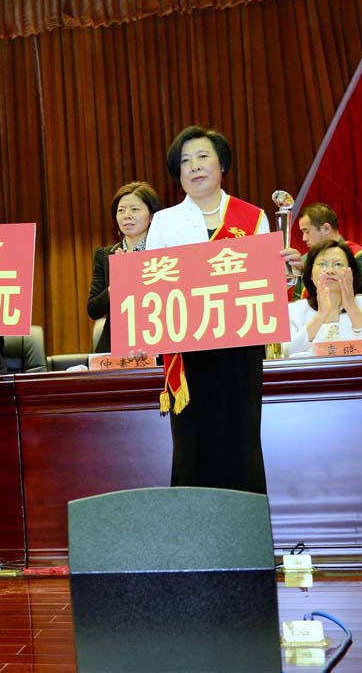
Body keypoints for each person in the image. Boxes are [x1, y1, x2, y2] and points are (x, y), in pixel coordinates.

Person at [145, 126, 273, 495]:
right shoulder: (165, 221)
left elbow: (266, 284)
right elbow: (151, 284)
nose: (195, 166)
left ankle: (243, 527)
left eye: (203, 157)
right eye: (185, 161)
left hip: (240, 349)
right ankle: (194, 530)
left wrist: (285, 274)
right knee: (193, 447)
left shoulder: (253, 217)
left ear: (222, 165)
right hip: (188, 353)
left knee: (241, 442)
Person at [87, 182, 162, 354]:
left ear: (151, 216)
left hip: (157, 342)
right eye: (121, 210)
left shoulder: (163, 253)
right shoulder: (105, 255)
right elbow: (94, 310)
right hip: (115, 346)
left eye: (135, 209)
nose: (127, 216)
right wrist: (118, 283)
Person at [284, 203, 362, 309]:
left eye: (307, 231)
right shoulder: (306, 261)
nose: (304, 238)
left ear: (326, 229)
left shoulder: (358, 258)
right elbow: (299, 302)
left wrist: (348, 307)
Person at [287, 239, 362, 357]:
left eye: (338, 264)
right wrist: (321, 316)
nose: (330, 271)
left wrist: (351, 307)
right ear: (310, 274)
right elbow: (285, 354)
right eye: (322, 264)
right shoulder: (294, 311)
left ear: (351, 273)